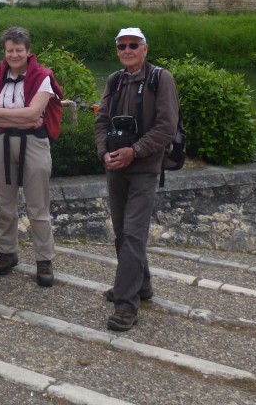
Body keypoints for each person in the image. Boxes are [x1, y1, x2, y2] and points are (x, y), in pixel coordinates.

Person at [94, 26, 179, 332]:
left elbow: (167, 126)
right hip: (115, 167)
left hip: (144, 169)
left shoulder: (161, 79)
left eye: (133, 45)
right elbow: (101, 120)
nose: (127, 50)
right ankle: (141, 286)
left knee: (132, 235)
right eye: (122, 46)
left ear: (145, 49)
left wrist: (135, 150)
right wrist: (105, 151)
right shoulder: (115, 80)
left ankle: (126, 305)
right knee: (122, 233)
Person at [0, 27, 62, 288]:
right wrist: (25, 117)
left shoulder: (42, 77)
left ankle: (44, 259)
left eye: (19, 50)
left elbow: (35, 113)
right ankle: (7, 252)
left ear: (28, 51)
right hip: (2, 142)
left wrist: (3, 114)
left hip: (34, 144)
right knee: (4, 204)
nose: (14, 54)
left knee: (38, 207)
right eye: (9, 50)